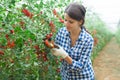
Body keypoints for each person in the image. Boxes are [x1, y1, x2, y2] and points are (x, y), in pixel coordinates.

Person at [51, 2, 95, 80]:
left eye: (71, 22)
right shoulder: (61, 32)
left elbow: (80, 66)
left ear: (80, 22)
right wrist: (49, 44)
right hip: (66, 76)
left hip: (83, 77)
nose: (66, 24)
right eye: (65, 20)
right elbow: (55, 47)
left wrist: (65, 55)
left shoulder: (88, 40)